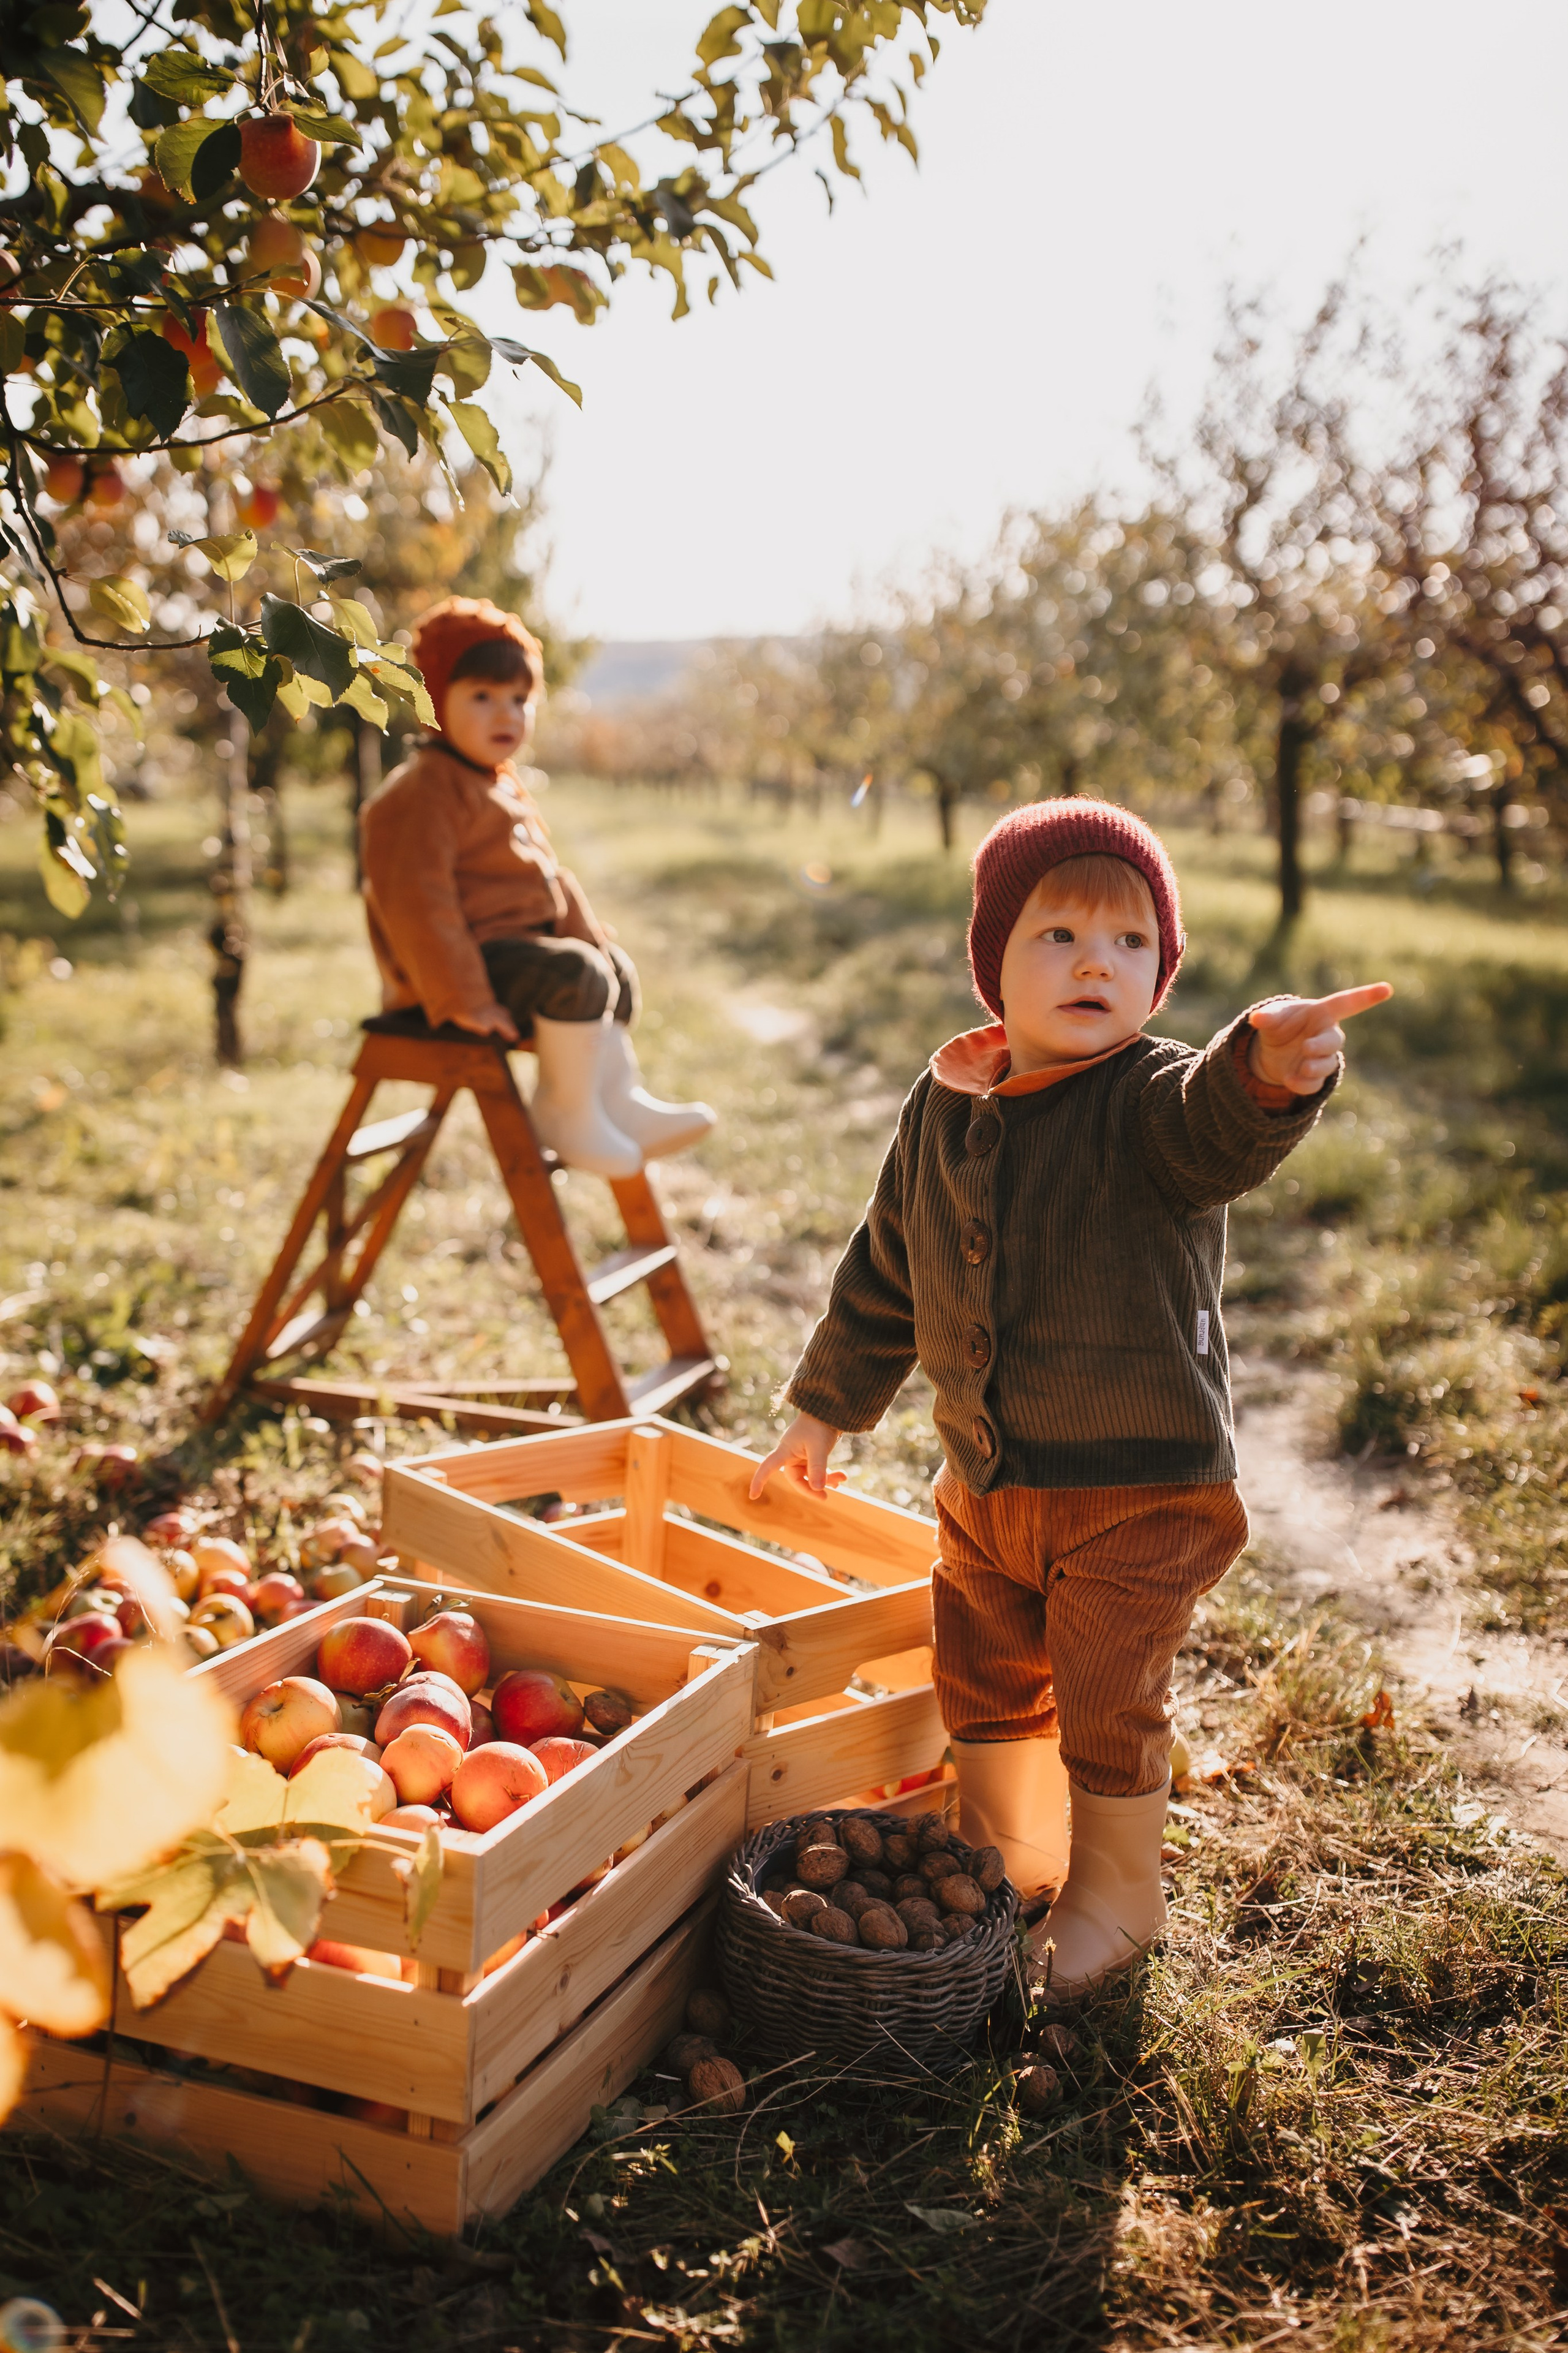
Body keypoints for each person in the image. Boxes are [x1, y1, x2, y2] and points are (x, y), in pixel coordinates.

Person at [750, 798, 1390, 1998]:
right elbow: (889, 1260)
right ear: (991, 961)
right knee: (983, 1671)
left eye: (1131, 942)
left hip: (1135, 1489)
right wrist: (826, 1404)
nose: (1097, 962)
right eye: (1058, 935)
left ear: (1160, 973)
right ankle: (1017, 1856)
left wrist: (1265, 1070)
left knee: (1105, 1692)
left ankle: (1117, 1900)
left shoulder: (1151, 1100)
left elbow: (1214, 1127)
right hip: (984, 1482)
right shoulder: (944, 1101)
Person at [359, 597, 714, 1177]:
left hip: (513, 956)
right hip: (454, 974)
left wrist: (592, 940)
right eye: (482, 696)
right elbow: (419, 906)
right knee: (577, 974)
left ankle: (617, 1100)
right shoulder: (423, 793)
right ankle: (564, 1112)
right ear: (434, 699)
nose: (506, 714)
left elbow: (550, 881)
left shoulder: (500, 786)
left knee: (611, 969)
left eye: (520, 699)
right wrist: (464, 998)